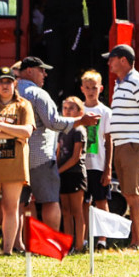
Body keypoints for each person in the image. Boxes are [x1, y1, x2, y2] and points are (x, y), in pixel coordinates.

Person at [16, 56, 100, 233]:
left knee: (17, 204)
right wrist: (80, 120)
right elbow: (53, 122)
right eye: (42, 70)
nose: (45, 74)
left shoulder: (10, 91)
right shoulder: (37, 93)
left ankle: (17, 245)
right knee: (49, 201)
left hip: (15, 156)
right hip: (40, 157)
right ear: (30, 71)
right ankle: (50, 243)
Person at [104, 44, 139, 249]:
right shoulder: (120, 83)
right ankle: (136, 241)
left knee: (134, 194)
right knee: (130, 193)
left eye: (111, 58)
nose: (109, 63)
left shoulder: (137, 81)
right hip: (124, 144)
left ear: (123, 61)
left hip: (134, 144)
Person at [0, 67, 35, 256]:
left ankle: (7, 250)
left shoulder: (23, 105)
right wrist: (13, 132)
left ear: (14, 83)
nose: (5, 85)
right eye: (1, 81)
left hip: (15, 163)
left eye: (9, 81)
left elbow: (27, 132)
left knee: (11, 207)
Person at [79, 70, 113, 249]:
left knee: (101, 201)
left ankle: (102, 240)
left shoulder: (106, 112)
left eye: (94, 88)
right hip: (82, 164)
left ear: (101, 88)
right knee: (84, 201)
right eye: (87, 87)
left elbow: (109, 141)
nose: (91, 91)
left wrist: (108, 168)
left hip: (98, 164)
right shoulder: (79, 110)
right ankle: (84, 239)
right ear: (82, 89)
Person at [58, 96, 88, 251]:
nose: (67, 111)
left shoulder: (79, 130)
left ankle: (79, 245)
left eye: (71, 108)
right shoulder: (62, 130)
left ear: (79, 111)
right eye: (65, 108)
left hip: (75, 173)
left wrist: (59, 170)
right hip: (62, 174)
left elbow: (76, 157)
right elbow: (58, 152)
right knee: (65, 211)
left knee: (77, 211)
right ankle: (67, 244)